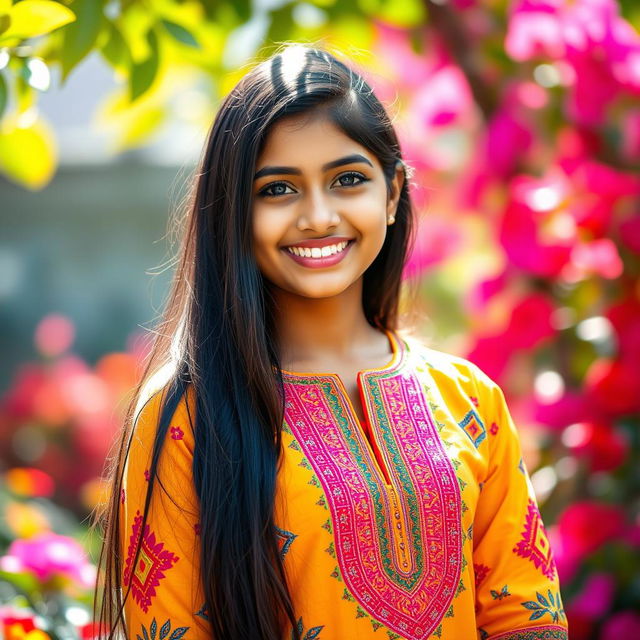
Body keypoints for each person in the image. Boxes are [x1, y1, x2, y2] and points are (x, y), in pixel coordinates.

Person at [96, 44, 569, 640]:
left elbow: (524, 618)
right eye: (277, 189)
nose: (318, 216)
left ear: (393, 193)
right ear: (233, 212)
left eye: (348, 180)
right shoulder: (187, 417)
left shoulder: (470, 401)